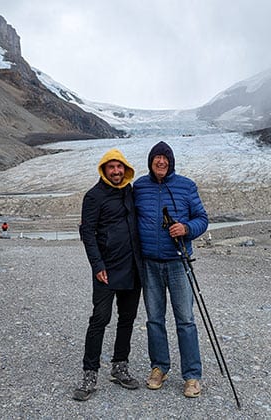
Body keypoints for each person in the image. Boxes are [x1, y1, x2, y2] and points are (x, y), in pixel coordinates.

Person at [133, 141, 209, 398]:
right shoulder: (140, 187)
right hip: (149, 263)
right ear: (151, 161)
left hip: (178, 262)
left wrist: (186, 229)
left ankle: (192, 376)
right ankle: (159, 367)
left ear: (171, 161)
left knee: (185, 320)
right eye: (157, 158)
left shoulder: (186, 186)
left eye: (165, 158)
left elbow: (202, 219)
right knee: (154, 319)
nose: (161, 162)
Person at [74, 148, 143, 401]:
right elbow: (87, 233)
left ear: (125, 168)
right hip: (106, 270)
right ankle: (90, 373)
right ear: (104, 169)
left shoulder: (130, 192)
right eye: (111, 167)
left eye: (119, 167)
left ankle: (119, 366)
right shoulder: (93, 196)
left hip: (132, 267)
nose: (116, 171)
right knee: (99, 319)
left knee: (127, 318)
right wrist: (97, 266)